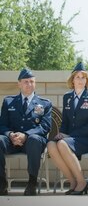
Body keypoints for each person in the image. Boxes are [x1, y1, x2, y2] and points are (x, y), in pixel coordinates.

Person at [47, 61, 88, 195]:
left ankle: (82, 182)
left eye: (84, 77)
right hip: (69, 139)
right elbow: (65, 121)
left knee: (63, 144)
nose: (81, 80)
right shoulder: (67, 97)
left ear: (87, 80)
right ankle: (72, 181)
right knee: (51, 145)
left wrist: (68, 136)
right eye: (78, 77)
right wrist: (62, 133)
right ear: (72, 79)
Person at [0, 67, 52, 196]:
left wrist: (26, 135)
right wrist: (10, 135)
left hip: (32, 143)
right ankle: (2, 183)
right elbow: (2, 125)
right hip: (11, 141)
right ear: (19, 83)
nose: (29, 84)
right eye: (26, 81)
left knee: (34, 139)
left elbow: (45, 127)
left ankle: (32, 183)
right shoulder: (8, 101)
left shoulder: (44, 103)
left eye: (32, 81)